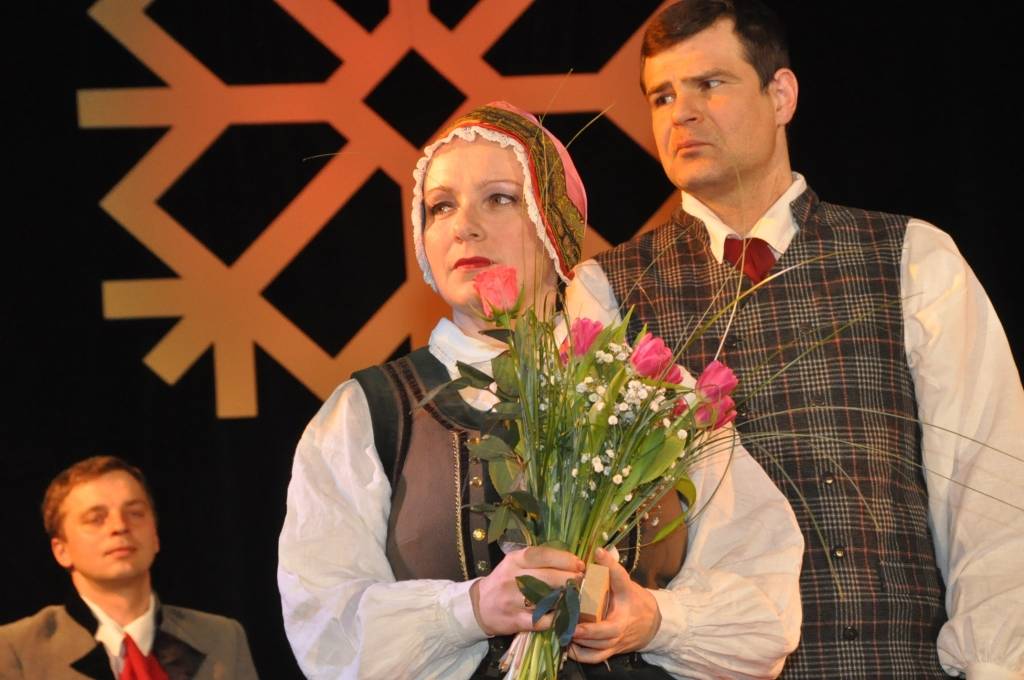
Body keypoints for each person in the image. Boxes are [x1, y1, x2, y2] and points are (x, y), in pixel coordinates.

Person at [565, 2, 1024, 678]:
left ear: (781, 95)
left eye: (709, 84)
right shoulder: (605, 290)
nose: (681, 113)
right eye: (662, 96)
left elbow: (990, 495)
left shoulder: (913, 257)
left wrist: (995, 667)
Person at [277, 101, 805, 679]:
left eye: (500, 198)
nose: (464, 225)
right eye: (441, 205)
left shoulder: (658, 395)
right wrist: (473, 608)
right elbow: (324, 628)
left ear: (554, 226)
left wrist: (654, 620)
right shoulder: (369, 413)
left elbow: (765, 605)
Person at [0, 455, 259, 680]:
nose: (120, 526)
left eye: (135, 513)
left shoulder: (222, 638)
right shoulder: (16, 649)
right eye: (96, 518)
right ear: (61, 550)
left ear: (155, 536)